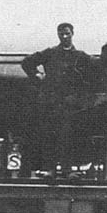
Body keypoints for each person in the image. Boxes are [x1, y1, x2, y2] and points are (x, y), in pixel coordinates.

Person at [21, 22, 98, 177]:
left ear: (72, 34)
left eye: (67, 33)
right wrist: (37, 75)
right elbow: (27, 62)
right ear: (58, 35)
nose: (64, 37)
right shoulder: (50, 53)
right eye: (61, 34)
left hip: (69, 105)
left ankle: (67, 170)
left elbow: (95, 65)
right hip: (50, 103)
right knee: (49, 137)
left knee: (67, 138)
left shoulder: (79, 56)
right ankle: (50, 169)